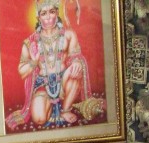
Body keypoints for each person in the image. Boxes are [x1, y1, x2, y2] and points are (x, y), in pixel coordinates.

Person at [6, 0, 91, 130]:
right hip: (43, 84)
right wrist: (34, 62)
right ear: (38, 17)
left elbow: (76, 56)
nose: (48, 17)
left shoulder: (68, 35)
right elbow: (22, 71)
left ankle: (65, 109)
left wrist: (77, 63)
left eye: (52, 12)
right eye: (44, 13)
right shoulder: (30, 42)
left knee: (75, 70)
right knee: (39, 118)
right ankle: (51, 105)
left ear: (57, 13)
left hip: (65, 80)